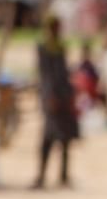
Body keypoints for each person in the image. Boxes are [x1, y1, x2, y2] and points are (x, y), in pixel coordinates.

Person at [32, 16, 78, 190]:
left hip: (63, 96)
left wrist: (69, 94)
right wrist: (50, 96)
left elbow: (64, 74)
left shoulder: (60, 46)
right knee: (48, 137)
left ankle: (63, 175)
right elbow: (46, 75)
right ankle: (42, 175)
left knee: (65, 138)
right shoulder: (43, 47)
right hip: (51, 98)